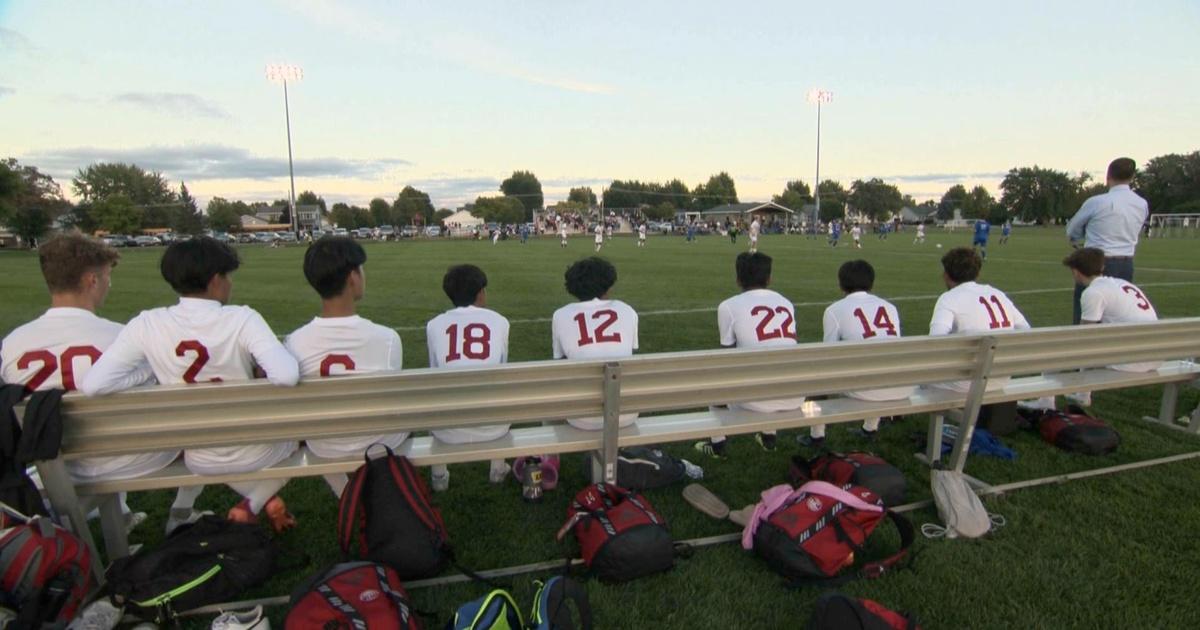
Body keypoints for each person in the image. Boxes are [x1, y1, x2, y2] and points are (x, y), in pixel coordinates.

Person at [81, 237, 301, 532]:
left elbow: (94, 384)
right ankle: (258, 500)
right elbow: (286, 375)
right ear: (214, 281)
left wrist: (152, 377)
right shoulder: (242, 318)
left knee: (209, 434)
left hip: (196, 453)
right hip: (253, 447)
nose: (230, 284)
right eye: (227, 276)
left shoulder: (147, 323)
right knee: (302, 438)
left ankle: (194, 511)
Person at [0, 234, 203, 534]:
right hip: (132, 456)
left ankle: (118, 514)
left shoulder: (12, 344)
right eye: (107, 276)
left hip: (52, 464)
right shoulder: (123, 338)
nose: (109, 284)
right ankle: (181, 512)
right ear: (92, 280)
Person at [283, 237, 405, 498]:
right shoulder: (387, 338)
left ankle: (347, 495)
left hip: (325, 443)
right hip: (378, 442)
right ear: (352, 277)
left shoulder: (294, 341)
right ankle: (368, 496)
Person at [693, 252, 798, 458]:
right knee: (773, 365)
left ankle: (718, 445)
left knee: (715, 384)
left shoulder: (729, 306)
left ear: (738, 279)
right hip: (793, 392)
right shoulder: (786, 302)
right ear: (769, 279)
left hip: (755, 399)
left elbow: (727, 354)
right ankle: (768, 438)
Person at [802, 260, 915, 446]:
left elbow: (827, 354)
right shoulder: (889, 307)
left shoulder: (834, 310)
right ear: (872, 283)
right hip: (900, 384)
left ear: (841, 284)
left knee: (818, 370)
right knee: (880, 364)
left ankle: (817, 435)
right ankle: (870, 428)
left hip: (867, 387)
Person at [425, 264, 513, 491]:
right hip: (494, 425)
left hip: (447, 427)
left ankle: (439, 475)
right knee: (498, 391)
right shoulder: (500, 321)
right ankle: (497, 468)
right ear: (480, 292)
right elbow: (501, 368)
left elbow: (435, 372)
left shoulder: (434, 325)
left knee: (436, 397)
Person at [1062, 247, 1161, 405]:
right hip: (1157, 354)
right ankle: (1083, 394)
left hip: (1136, 360)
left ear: (1075, 272)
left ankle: (1074, 396)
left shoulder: (1093, 293)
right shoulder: (1122, 283)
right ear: (1102, 268)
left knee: (1072, 347)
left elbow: (1084, 334)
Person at [551, 257, 638, 431]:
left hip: (583, 416)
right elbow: (631, 354)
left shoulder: (561, 315)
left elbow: (560, 362)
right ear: (609, 283)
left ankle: (550, 458)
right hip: (626, 412)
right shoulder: (626, 310)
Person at [928, 247, 1030, 392]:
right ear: (978, 273)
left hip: (966, 381)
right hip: (1000, 377)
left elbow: (935, 341)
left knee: (923, 383)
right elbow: (1025, 329)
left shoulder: (949, 298)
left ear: (946, 274)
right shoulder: (997, 294)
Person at [1066, 157, 1148, 324]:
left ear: (1108, 177)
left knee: (1087, 314)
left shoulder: (1097, 202)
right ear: (1132, 177)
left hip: (1095, 263)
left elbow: (1072, 229)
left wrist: (1076, 239)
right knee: (1117, 313)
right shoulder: (1141, 203)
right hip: (1126, 264)